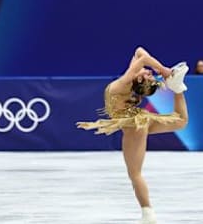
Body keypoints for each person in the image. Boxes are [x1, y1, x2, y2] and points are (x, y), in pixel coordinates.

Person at [77, 47, 189, 224]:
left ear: (139, 78)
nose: (149, 71)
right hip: (139, 119)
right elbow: (140, 52)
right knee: (181, 121)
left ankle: (148, 214)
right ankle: (177, 89)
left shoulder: (126, 80)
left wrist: (165, 71)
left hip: (133, 125)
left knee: (135, 174)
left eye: (148, 73)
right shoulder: (132, 78)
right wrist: (164, 72)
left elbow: (142, 57)